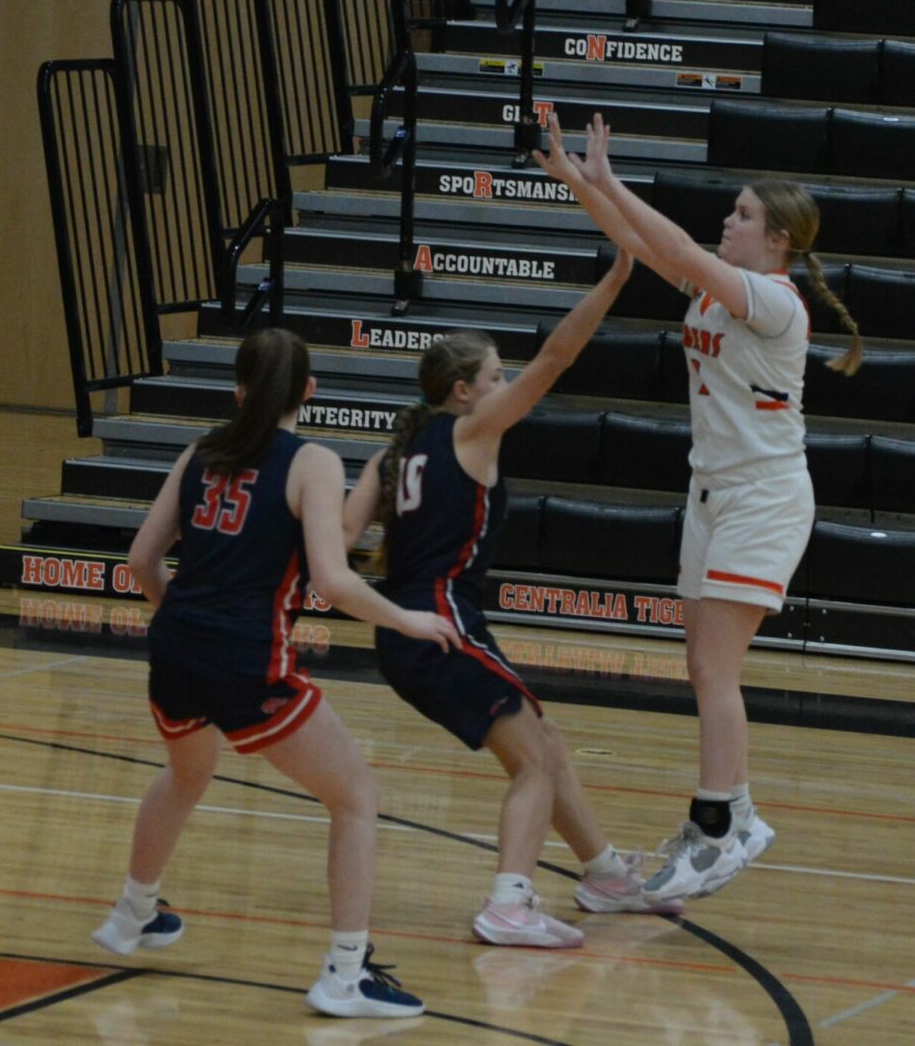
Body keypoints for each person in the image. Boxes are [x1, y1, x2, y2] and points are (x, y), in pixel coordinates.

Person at [532, 112, 862, 902]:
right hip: (711, 492)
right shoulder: (718, 296)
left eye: (743, 214)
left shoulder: (776, 302)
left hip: (763, 497)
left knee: (716, 670)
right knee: (702, 668)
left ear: (777, 239)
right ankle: (736, 815)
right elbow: (643, 245)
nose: (728, 220)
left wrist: (612, 179)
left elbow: (677, 248)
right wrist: (579, 180)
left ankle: (716, 831)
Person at [91, 328, 463, 1018]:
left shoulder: (200, 451)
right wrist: (408, 619)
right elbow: (333, 581)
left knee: (185, 775)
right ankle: (345, 973)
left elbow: (141, 561)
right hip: (245, 660)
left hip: (173, 651)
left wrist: (185, 626)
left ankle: (132, 912)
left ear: (237, 391)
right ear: (309, 391)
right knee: (355, 796)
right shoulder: (312, 462)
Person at [342, 253, 687, 949]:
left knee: (544, 742)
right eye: (498, 376)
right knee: (533, 761)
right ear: (464, 392)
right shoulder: (472, 431)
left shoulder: (390, 456)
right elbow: (556, 359)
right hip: (442, 622)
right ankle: (508, 904)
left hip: (406, 628)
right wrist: (615, 281)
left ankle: (604, 876)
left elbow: (338, 542)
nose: (507, 385)